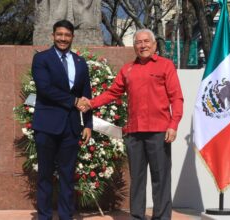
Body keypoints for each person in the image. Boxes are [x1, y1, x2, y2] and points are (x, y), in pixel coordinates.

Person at [80, 29, 184, 220]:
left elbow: (176, 97)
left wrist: (173, 124)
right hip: (134, 133)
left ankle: (161, 217)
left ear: (154, 45)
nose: (142, 45)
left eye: (146, 42)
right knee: (137, 179)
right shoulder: (127, 69)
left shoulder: (166, 66)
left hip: (159, 131)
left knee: (160, 179)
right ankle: (137, 216)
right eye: (138, 42)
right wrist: (91, 103)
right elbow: (113, 93)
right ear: (134, 46)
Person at [31, 19, 93, 220]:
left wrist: (88, 124)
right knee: (45, 176)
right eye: (60, 35)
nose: (63, 39)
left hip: (71, 127)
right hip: (47, 126)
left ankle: (66, 216)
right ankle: (44, 216)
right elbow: (45, 89)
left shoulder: (80, 62)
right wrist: (74, 101)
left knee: (68, 177)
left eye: (67, 35)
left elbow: (86, 95)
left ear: (72, 37)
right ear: (53, 35)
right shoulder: (42, 59)